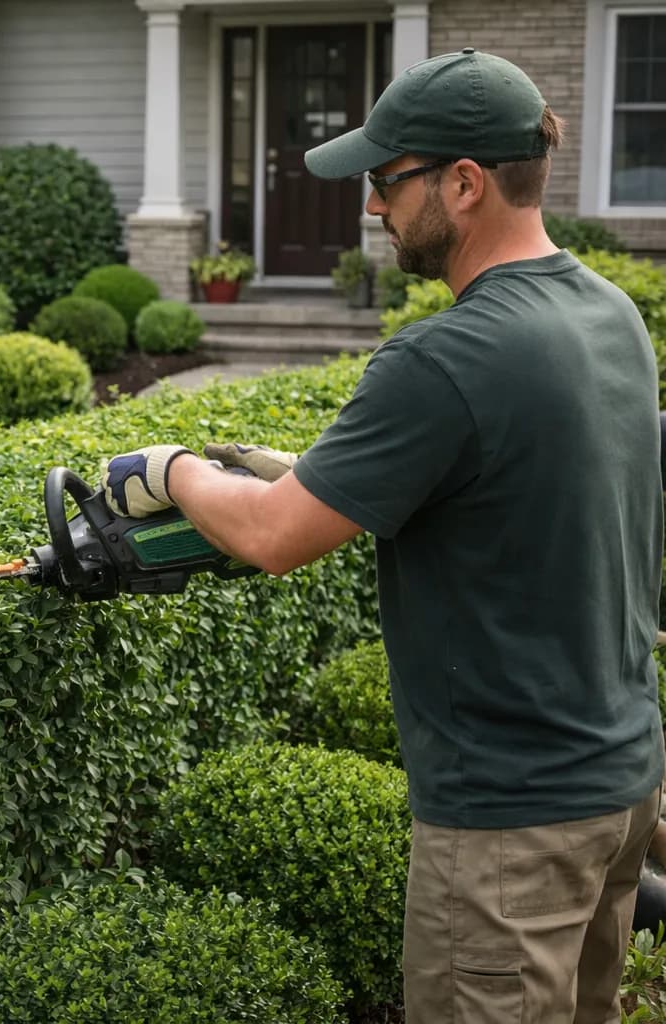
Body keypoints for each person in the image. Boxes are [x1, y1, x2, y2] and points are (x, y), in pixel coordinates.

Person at [103, 49, 664, 1022]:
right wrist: (317, 473)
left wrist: (167, 469)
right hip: (618, 788)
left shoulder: (446, 355)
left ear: (464, 182)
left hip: (509, 828)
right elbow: (525, 486)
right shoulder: (608, 313)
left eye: (387, 180)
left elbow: (274, 538)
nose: (372, 207)